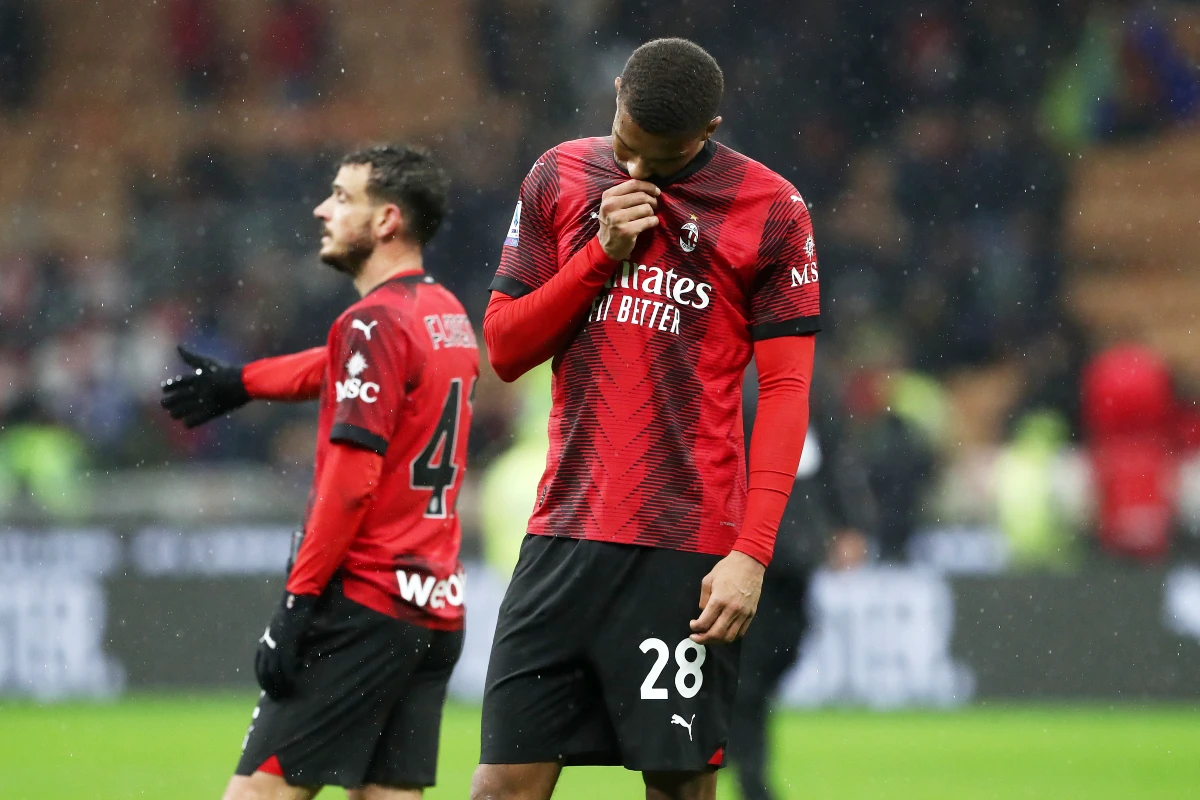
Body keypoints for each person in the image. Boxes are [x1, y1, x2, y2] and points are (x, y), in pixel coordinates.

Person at [472, 38, 820, 800]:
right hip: (562, 536)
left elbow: (789, 394)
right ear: (617, 94)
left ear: (708, 131)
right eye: (626, 146)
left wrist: (752, 554)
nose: (635, 173)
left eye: (658, 161)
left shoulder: (773, 210)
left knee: (678, 788)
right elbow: (503, 348)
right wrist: (599, 255)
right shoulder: (559, 175)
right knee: (501, 785)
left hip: (685, 551)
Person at [160, 145, 479, 800]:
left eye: (341, 197)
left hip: (361, 606)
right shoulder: (442, 314)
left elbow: (350, 483)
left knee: (255, 795)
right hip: (432, 611)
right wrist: (243, 382)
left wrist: (296, 604)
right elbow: (339, 360)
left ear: (387, 220)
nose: (321, 209)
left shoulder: (374, 324)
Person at [729, 382, 875, 800]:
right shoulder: (746, 384)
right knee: (751, 671)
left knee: (780, 655)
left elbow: (830, 455)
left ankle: (733, 744)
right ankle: (751, 778)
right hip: (756, 551)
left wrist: (848, 521)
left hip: (797, 551)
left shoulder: (805, 387)